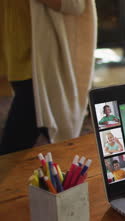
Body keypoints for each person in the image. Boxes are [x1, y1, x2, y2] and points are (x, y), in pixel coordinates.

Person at [0, 0, 96, 155]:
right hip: (16, 58)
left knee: (12, 148)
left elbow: (76, 4)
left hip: (40, 66)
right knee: (48, 134)